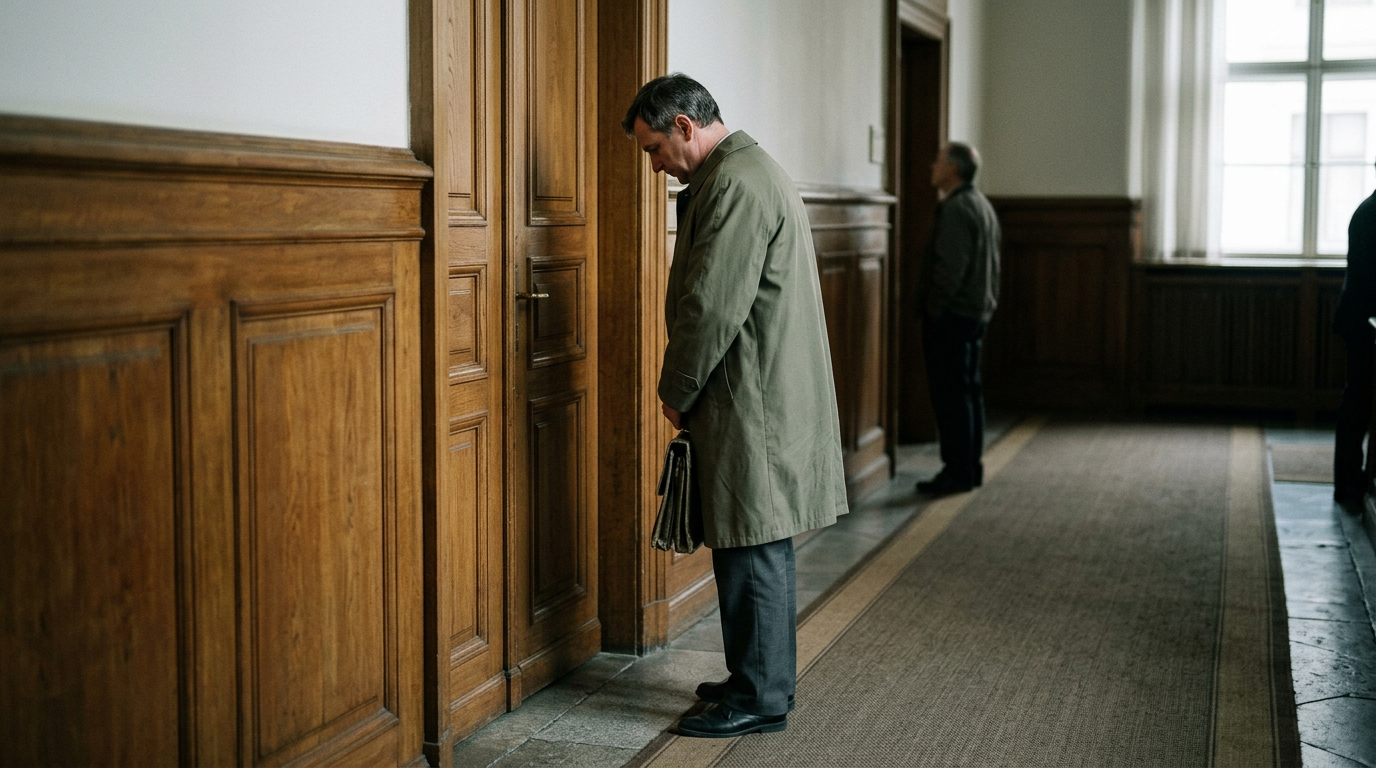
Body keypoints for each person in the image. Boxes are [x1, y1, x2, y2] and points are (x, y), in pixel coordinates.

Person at [623, 73, 848, 738]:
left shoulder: (735, 183)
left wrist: (674, 388)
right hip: (753, 389)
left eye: (653, 149)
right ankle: (753, 675)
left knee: (752, 543)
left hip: (751, 394)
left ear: (685, 128)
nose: (655, 165)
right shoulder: (740, 173)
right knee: (745, 539)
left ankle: (762, 695)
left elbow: (712, 305)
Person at [914, 143, 1001, 496]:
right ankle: (969, 468)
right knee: (968, 393)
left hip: (954, 315)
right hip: (975, 312)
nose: (932, 165)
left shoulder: (956, 208)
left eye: (938, 160)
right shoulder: (980, 204)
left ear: (953, 168)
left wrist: (934, 310)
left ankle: (956, 471)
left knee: (952, 397)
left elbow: (949, 270)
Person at [1332, 163, 1376, 505]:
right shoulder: (1371, 214)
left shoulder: (1368, 208)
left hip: (1360, 316)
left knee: (1358, 402)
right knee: (1359, 403)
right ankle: (1350, 483)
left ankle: (1354, 481)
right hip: (1364, 320)